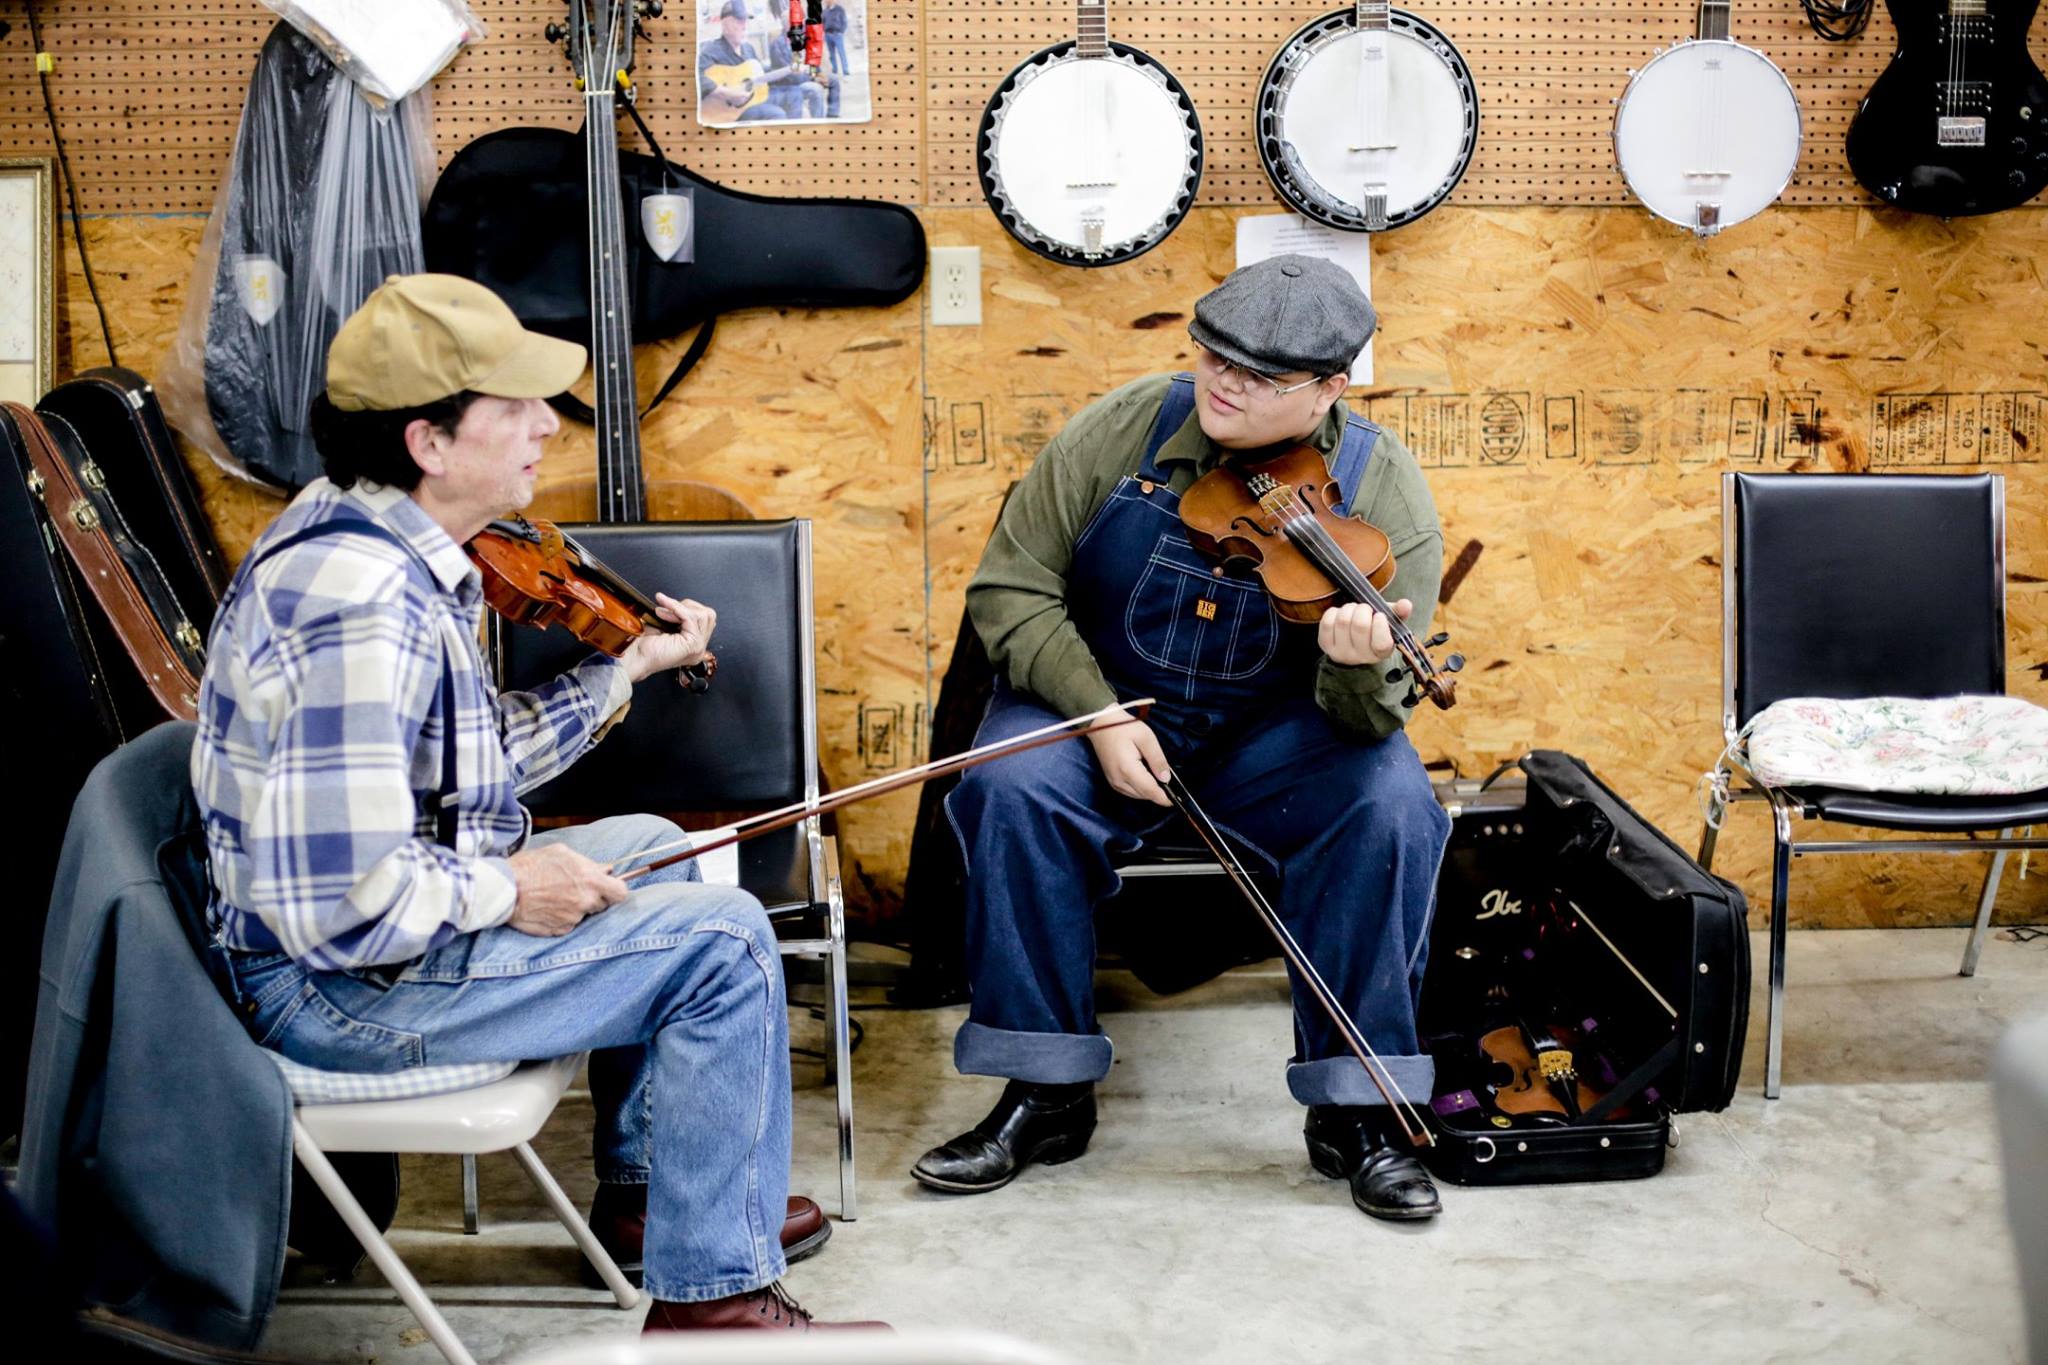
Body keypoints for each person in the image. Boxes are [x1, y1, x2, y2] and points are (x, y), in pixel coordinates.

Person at [192, 273, 886, 1332]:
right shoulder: (361, 604)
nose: (542, 427)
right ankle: (715, 1312)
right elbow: (336, 902)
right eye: (511, 407)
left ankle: (656, 1204)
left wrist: (623, 670)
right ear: (428, 442)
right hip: (344, 990)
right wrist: (504, 888)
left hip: (369, 954)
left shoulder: (390, 540)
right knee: (727, 943)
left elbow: (466, 766)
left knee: (653, 846)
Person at [910, 255, 1454, 1222]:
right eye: (1214, 355)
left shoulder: (1385, 489)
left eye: (1262, 377)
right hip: (1104, 701)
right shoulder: (1121, 427)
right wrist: (1097, 713)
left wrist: (1355, 659)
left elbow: (1371, 719)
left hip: (1277, 733)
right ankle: (1047, 1092)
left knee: (1392, 806)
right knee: (1011, 785)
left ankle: (1356, 1110)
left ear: (1333, 387)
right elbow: (1011, 587)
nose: (1224, 384)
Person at [698, 1, 790, 123]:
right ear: (726, 23)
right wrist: (728, 93)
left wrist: (788, 71)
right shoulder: (711, 51)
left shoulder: (748, 49)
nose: (745, 26)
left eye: (745, 21)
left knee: (794, 95)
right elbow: (695, 76)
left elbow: (760, 76)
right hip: (729, 112)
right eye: (739, 21)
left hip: (752, 100)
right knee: (777, 114)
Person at [823, 0, 850, 76]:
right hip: (828, 35)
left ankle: (845, 70)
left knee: (841, 53)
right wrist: (824, 32)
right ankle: (835, 70)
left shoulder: (840, 9)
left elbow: (844, 21)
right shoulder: (825, 11)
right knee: (831, 54)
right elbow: (823, 22)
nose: (828, 1)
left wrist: (841, 32)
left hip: (837, 34)